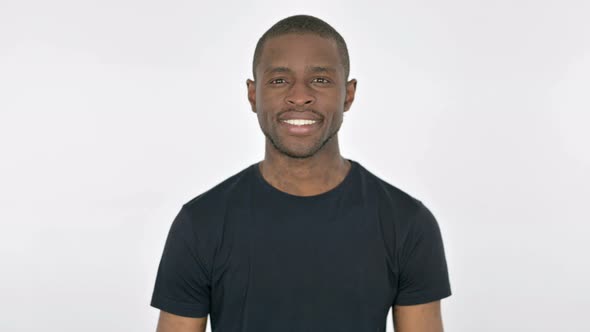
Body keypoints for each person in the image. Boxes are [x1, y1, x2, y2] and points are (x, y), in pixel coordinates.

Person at [150, 14, 452, 332]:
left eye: (320, 80)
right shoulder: (201, 223)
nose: (299, 96)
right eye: (279, 80)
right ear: (253, 95)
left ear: (348, 94)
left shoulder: (407, 223)